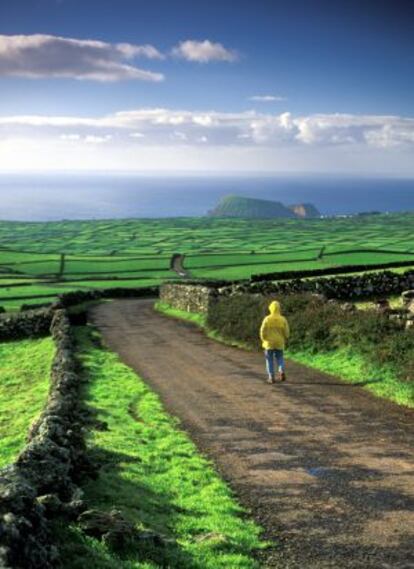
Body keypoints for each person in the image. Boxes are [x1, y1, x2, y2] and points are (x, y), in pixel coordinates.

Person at [260, 300, 290, 384]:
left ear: (270, 308)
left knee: (269, 360)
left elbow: (262, 330)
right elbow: (287, 331)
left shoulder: (267, 319)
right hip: (279, 342)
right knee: (280, 358)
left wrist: (263, 338)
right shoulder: (283, 319)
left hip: (269, 343)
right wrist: (286, 337)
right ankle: (281, 370)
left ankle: (271, 377)